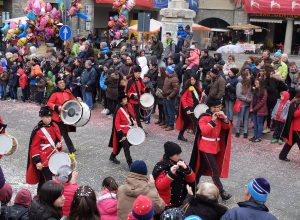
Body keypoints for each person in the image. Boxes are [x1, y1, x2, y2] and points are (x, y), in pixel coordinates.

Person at [189, 98, 232, 200]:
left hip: (215, 147)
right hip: (205, 147)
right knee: (214, 170)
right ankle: (222, 192)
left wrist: (225, 118)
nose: (218, 109)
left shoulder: (219, 116)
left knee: (200, 169)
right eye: (216, 107)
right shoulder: (203, 117)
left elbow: (226, 128)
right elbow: (204, 131)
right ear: (210, 107)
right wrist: (212, 121)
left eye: (219, 107)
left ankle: (192, 186)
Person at [26, 106, 63, 191]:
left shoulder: (54, 126)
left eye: (50, 117)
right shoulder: (38, 130)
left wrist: (58, 144)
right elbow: (34, 148)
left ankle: (40, 196)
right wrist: (37, 161)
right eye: (46, 117)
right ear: (41, 117)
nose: (49, 119)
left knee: (44, 180)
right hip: (44, 159)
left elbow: (57, 138)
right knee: (47, 180)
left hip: (52, 157)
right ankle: (45, 196)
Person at [153, 141, 195, 208]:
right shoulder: (162, 165)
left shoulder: (180, 162)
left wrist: (187, 169)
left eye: (179, 154)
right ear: (170, 155)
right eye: (177, 155)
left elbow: (192, 180)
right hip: (165, 204)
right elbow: (160, 186)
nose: (179, 157)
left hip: (180, 202)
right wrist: (170, 174)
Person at [47, 77, 77, 154]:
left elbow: (73, 99)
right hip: (57, 118)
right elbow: (49, 103)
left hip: (66, 117)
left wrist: (78, 100)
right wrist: (57, 107)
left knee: (62, 134)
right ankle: (71, 150)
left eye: (63, 82)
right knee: (60, 134)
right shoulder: (54, 94)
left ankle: (59, 148)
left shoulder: (67, 92)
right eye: (60, 82)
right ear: (57, 85)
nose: (62, 83)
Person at [108, 92, 135, 167]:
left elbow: (131, 116)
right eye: (124, 99)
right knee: (125, 146)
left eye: (126, 98)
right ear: (120, 100)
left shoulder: (128, 106)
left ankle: (112, 156)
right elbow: (116, 124)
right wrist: (121, 135)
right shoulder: (119, 109)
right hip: (122, 131)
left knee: (119, 145)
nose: (126, 100)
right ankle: (130, 164)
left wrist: (134, 124)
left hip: (128, 129)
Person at [176, 74, 201, 142]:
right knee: (194, 121)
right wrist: (186, 108)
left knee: (187, 122)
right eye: (191, 79)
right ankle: (197, 139)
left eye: (193, 79)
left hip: (194, 107)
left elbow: (199, 96)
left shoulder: (197, 87)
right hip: (188, 108)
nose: (192, 81)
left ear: (196, 80)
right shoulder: (187, 87)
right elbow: (183, 98)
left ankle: (180, 135)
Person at [279, 86, 300, 161]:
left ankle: (282, 156)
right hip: (297, 127)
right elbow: (293, 114)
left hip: (296, 127)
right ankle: (282, 156)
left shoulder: (294, 101)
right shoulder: (294, 102)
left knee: (289, 143)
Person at [162, 65, 180, 131]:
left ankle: (171, 125)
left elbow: (176, 90)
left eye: (166, 70)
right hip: (165, 96)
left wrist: (170, 96)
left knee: (170, 112)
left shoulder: (174, 79)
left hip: (169, 98)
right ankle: (167, 123)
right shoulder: (167, 77)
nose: (165, 71)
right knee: (166, 111)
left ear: (169, 72)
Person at [235, 71, 252, 138]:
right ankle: (237, 131)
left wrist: (250, 99)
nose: (250, 76)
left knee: (246, 118)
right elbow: (239, 95)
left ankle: (245, 131)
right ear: (246, 76)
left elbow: (250, 92)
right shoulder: (239, 84)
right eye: (249, 75)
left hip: (248, 103)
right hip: (242, 103)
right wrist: (247, 99)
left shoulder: (249, 83)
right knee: (240, 117)